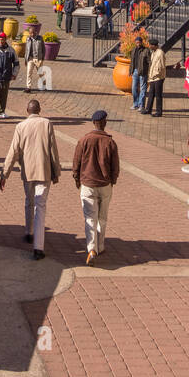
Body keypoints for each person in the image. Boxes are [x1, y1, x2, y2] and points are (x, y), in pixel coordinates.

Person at [0, 98, 61, 259]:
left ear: (27, 111)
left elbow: (13, 152)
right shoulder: (47, 123)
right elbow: (53, 150)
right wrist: (56, 171)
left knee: (29, 200)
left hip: (27, 172)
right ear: (39, 110)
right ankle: (38, 247)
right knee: (40, 206)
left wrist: (4, 173)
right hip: (44, 171)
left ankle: (29, 231)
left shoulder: (20, 126)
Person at [72, 110, 119, 264]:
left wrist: (77, 180)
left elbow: (76, 163)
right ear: (104, 122)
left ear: (93, 123)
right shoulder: (110, 142)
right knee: (102, 218)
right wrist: (112, 180)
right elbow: (115, 167)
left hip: (88, 184)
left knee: (89, 219)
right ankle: (100, 245)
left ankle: (91, 249)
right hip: (105, 184)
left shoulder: (84, 140)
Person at [143, 44, 166, 116]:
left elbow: (162, 65)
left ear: (155, 45)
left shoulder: (160, 53)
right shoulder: (153, 52)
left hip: (158, 77)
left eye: (151, 45)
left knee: (158, 95)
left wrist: (159, 73)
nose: (150, 46)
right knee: (151, 93)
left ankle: (159, 112)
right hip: (153, 76)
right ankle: (148, 109)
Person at [130, 32, 150, 112]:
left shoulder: (146, 51)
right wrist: (130, 70)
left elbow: (149, 61)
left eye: (139, 42)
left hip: (143, 72)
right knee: (134, 88)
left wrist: (148, 72)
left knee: (143, 88)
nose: (138, 44)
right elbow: (132, 61)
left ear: (142, 42)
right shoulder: (134, 50)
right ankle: (136, 104)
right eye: (137, 42)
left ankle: (141, 105)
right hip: (135, 71)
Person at [24, 28, 46, 93]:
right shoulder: (28, 39)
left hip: (38, 58)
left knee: (40, 73)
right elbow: (26, 50)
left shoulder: (40, 38)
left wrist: (42, 58)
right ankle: (28, 87)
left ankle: (44, 83)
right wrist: (26, 59)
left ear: (36, 32)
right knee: (29, 73)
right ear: (29, 33)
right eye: (31, 33)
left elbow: (43, 49)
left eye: (33, 33)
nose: (32, 34)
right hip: (30, 58)